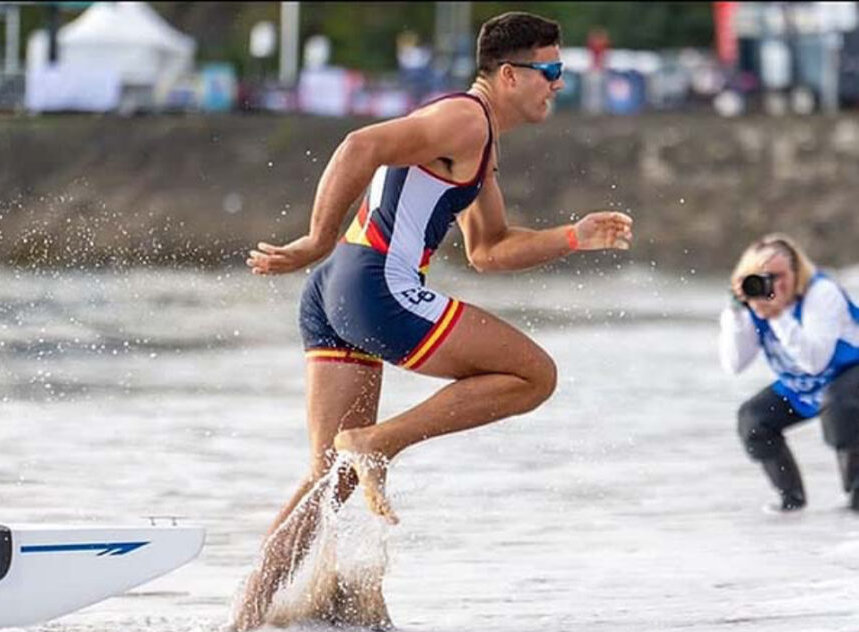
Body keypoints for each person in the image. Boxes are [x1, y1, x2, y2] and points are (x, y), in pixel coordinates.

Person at [233, 12, 633, 629]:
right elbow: (358, 145)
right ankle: (377, 444)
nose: (558, 83)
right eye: (551, 70)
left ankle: (243, 618)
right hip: (372, 287)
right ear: (509, 75)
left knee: (326, 480)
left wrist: (572, 238)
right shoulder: (464, 119)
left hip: (336, 291)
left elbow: (489, 250)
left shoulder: (478, 140)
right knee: (535, 376)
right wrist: (315, 238)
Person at [719, 234, 859, 514]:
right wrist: (736, 315)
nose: (775, 285)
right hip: (811, 379)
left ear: (797, 273)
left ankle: (858, 498)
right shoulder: (753, 304)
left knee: (838, 407)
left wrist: (777, 315)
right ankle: (791, 502)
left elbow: (814, 361)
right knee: (753, 420)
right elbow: (734, 365)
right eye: (765, 277)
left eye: (781, 276)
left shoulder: (821, 294)